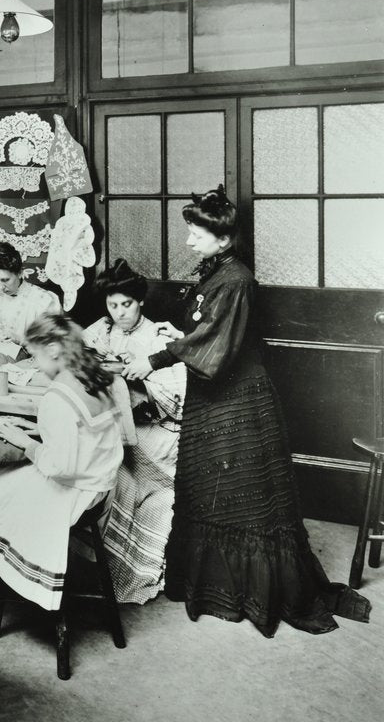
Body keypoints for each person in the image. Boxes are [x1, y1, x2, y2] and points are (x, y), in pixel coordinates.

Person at [122, 188, 370, 635]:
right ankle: (212, 586)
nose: (189, 242)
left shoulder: (236, 278)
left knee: (245, 495)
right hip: (211, 396)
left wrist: (154, 359)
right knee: (207, 487)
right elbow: (205, 331)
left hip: (237, 400)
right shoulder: (217, 270)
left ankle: (248, 593)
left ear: (222, 239)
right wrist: (171, 339)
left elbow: (214, 343)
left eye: (196, 234)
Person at [0, 313, 124, 611]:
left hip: (76, 493)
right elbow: (89, 430)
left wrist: (23, 440)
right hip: (101, 486)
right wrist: (40, 429)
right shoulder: (93, 376)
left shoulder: (57, 396)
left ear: (52, 350)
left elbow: (57, 467)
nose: (35, 364)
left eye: (35, 355)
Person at [83, 258, 187, 604]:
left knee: (123, 469)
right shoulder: (100, 330)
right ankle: (87, 562)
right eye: (112, 305)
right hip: (113, 423)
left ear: (139, 302)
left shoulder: (157, 335)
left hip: (153, 429)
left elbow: (177, 393)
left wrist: (139, 381)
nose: (119, 313)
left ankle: (127, 569)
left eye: (126, 304)